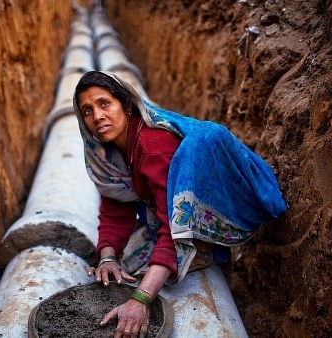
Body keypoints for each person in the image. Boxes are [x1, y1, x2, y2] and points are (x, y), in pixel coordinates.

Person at [73, 71, 286, 338]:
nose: (97, 116)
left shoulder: (153, 147)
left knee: (143, 276)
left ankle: (203, 246)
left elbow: (173, 225)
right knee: (124, 269)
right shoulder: (107, 155)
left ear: (126, 106)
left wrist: (141, 298)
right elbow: (116, 208)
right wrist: (107, 257)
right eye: (87, 110)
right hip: (171, 216)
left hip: (215, 207)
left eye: (104, 104)